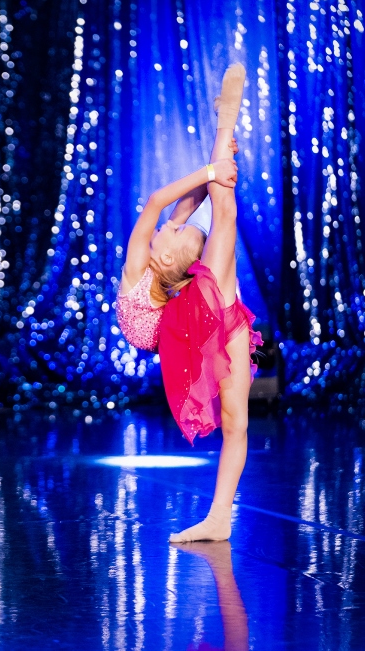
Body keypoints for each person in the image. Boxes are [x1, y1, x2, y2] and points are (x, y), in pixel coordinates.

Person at [115, 63, 261, 543]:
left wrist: (216, 170)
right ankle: (225, 120)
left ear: (169, 258)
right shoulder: (140, 269)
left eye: (171, 233)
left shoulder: (164, 271)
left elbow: (174, 206)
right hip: (181, 331)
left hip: (192, 325)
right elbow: (160, 204)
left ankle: (219, 518)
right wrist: (212, 170)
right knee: (223, 212)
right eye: (169, 232)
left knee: (237, 420)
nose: (164, 228)